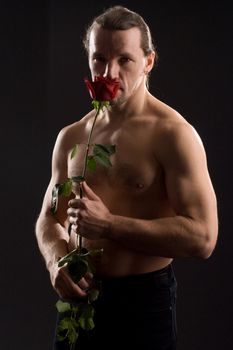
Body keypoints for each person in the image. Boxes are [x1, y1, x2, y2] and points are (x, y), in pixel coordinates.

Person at [35, 5, 218, 350]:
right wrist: (55, 260)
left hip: (143, 304)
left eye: (124, 60)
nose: (109, 72)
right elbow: (48, 217)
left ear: (148, 62)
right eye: (99, 58)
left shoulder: (173, 134)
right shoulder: (72, 137)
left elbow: (204, 237)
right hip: (78, 301)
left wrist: (109, 225)